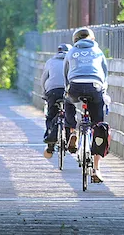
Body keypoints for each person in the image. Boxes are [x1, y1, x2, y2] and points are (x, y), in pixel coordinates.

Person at [63, 27, 110, 183]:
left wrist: (67, 91)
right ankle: (96, 169)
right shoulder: (98, 51)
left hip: (75, 86)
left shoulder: (71, 52)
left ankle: (72, 131)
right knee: (99, 126)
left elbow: (66, 74)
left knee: (68, 100)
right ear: (92, 39)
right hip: (94, 86)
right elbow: (104, 75)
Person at [41, 43, 71, 159]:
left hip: (52, 91)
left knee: (51, 115)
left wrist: (44, 92)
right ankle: (70, 137)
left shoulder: (50, 61)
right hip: (68, 90)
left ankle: (50, 139)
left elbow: (44, 79)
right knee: (69, 114)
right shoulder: (72, 61)